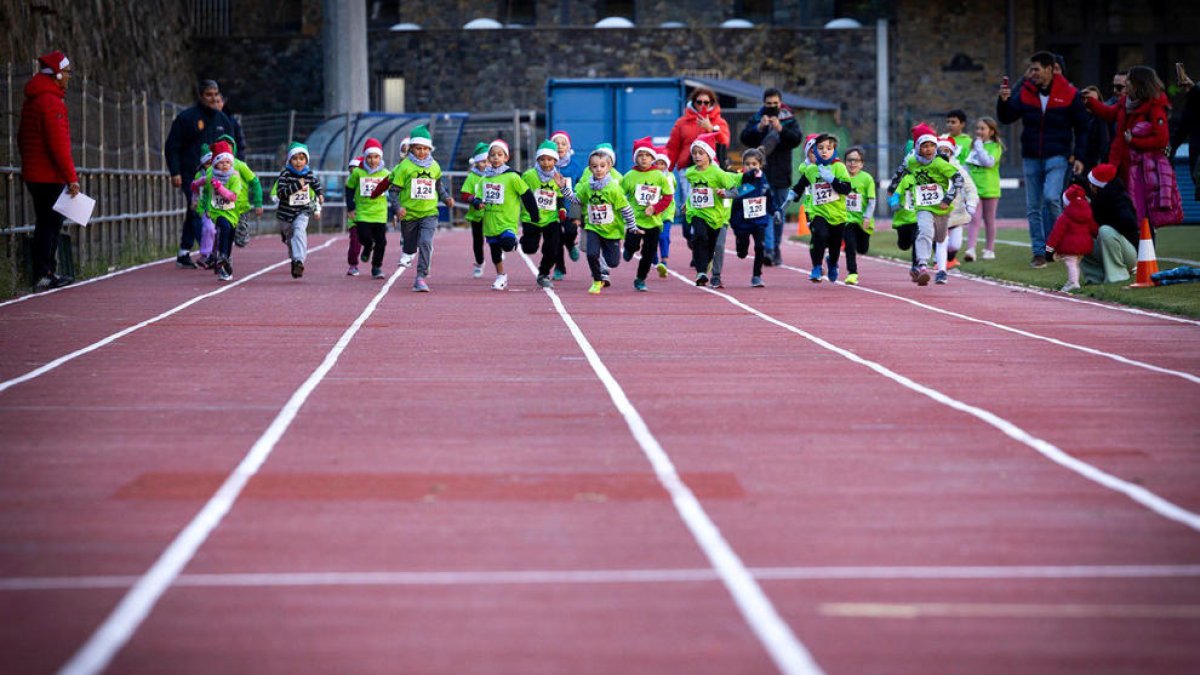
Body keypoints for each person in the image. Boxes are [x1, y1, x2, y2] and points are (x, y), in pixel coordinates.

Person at [997, 51, 1090, 268]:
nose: (1033, 73)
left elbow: (1083, 127)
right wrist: (1003, 100)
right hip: (1031, 157)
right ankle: (1039, 252)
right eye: (1031, 69)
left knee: (1051, 197)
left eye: (1036, 69)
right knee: (1033, 207)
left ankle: (1060, 244)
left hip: (1057, 156)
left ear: (1050, 69)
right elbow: (1007, 117)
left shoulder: (1069, 93)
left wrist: (1080, 155)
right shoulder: (1026, 92)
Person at [1083, 65, 1183, 228]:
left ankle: (1145, 249)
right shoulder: (1125, 103)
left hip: (1141, 169)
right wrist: (1091, 103)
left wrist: (1134, 142)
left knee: (1142, 212)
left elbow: (1161, 139)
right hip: (1119, 164)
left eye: (1128, 81)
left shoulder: (1155, 106)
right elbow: (1109, 113)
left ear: (1138, 84)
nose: (1126, 84)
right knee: (1126, 209)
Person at [19, 50, 79, 291]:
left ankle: (45, 271)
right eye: (66, 72)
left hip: (34, 172)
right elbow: (59, 145)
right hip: (49, 175)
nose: (68, 77)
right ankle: (45, 272)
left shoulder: (34, 99)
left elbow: (22, 138)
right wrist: (71, 178)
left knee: (44, 222)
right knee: (50, 224)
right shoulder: (51, 102)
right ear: (56, 74)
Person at [164, 80, 240, 269]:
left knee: (209, 211)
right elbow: (172, 146)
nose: (213, 98)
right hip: (192, 174)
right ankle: (208, 254)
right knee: (198, 208)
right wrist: (175, 172)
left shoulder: (223, 120)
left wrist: (234, 171)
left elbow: (232, 148)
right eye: (209, 95)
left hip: (219, 176)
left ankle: (185, 250)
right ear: (200, 96)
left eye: (216, 94)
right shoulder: (187, 118)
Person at [370, 125, 454, 292]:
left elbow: (438, 186)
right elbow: (393, 191)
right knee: (409, 247)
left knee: (425, 242)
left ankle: (420, 277)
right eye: (418, 148)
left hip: (429, 213)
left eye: (425, 148)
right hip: (409, 214)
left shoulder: (435, 166)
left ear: (430, 149)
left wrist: (446, 198)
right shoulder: (404, 167)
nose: (422, 152)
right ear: (411, 149)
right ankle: (407, 251)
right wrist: (398, 208)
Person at [555, 145, 639, 294]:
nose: (598, 169)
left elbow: (625, 208)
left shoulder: (613, 189)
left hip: (612, 229)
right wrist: (563, 188)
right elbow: (576, 200)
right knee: (591, 253)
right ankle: (597, 279)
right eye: (595, 166)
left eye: (602, 166)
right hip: (593, 227)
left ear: (609, 167)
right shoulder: (587, 186)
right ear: (590, 168)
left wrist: (632, 226)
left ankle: (605, 268)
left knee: (613, 262)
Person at [891, 127, 964, 285]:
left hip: (942, 207)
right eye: (924, 146)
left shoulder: (940, 163)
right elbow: (900, 172)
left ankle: (930, 260)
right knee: (924, 232)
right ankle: (922, 265)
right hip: (923, 206)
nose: (929, 149)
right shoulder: (912, 161)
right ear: (918, 148)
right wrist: (892, 189)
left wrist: (948, 198)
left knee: (940, 237)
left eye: (932, 145)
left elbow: (958, 180)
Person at [738, 88, 803, 265]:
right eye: (769, 104)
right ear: (764, 103)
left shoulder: (789, 119)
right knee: (764, 212)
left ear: (780, 103)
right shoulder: (757, 118)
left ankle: (776, 247)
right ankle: (768, 249)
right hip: (761, 175)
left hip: (782, 173)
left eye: (776, 104)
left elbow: (796, 140)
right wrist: (759, 128)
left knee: (778, 213)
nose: (772, 107)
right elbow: (744, 137)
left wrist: (780, 129)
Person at [666, 88, 731, 250]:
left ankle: (703, 243)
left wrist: (711, 128)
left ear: (712, 103)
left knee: (706, 207)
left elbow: (725, 141)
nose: (703, 105)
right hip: (687, 169)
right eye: (699, 102)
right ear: (693, 103)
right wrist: (667, 169)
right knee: (690, 204)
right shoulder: (682, 122)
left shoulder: (718, 121)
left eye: (706, 102)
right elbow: (673, 147)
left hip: (711, 170)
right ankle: (693, 237)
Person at [472, 139, 539, 291]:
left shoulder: (512, 177)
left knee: (508, 244)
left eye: (499, 155)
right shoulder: (484, 179)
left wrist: (534, 213)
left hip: (507, 221)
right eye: (493, 155)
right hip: (490, 222)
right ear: (488, 158)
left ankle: (512, 240)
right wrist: (477, 203)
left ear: (506, 158)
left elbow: (527, 195)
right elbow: (477, 197)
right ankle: (501, 276)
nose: (496, 158)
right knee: (495, 252)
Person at [789, 134, 852, 283]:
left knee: (835, 244)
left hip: (838, 215)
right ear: (815, 151)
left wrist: (832, 179)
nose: (824, 151)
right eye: (820, 148)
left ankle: (832, 262)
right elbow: (800, 185)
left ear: (834, 150)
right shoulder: (812, 169)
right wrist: (791, 195)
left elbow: (846, 189)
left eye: (828, 148)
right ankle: (816, 266)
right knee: (820, 236)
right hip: (819, 212)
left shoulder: (839, 167)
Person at [682, 132, 740, 287]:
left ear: (709, 155)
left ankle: (714, 273)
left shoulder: (718, 173)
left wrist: (724, 193)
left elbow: (735, 192)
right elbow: (694, 190)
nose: (697, 156)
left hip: (716, 216)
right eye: (694, 153)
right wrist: (687, 203)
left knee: (715, 245)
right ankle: (701, 272)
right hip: (697, 211)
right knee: (699, 236)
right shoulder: (690, 172)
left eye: (701, 153)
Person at [620, 137, 674, 292]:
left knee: (648, 254)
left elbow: (668, 197)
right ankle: (629, 250)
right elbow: (620, 195)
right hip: (635, 220)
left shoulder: (659, 176)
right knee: (632, 244)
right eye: (640, 155)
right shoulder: (629, 176)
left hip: (653, 222)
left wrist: (655, 208)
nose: (644, 158)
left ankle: (640, 279)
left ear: (653, 158)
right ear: (635, 158)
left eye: (647, 155)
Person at [520, 140, 569, 289]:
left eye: (549, 159)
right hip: (531, 218)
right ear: (537, 160)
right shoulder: (529, 175)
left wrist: (562, 210)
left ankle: (543, 274)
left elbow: (560, 197)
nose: (546, 163)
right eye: (542, 159)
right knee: (529, 249)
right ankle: (523, 241)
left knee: (553, 248)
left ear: (555, 160)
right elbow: (520, 192)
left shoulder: (558, 177)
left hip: (551, 218)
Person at [272, 142, 324, 279]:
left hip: (302, 211)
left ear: (306, 160)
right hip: (285, 215)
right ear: (289, 160)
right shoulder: (285, 174)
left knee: (299, 233)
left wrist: (320, 194)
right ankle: (294, 258)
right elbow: (281, 193)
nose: (298, 162)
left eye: (301, 159)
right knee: (290, 239)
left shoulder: (308, 173)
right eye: (295, 159)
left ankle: (299, 261)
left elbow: (316, 184)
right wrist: (297, 185)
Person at [1080, 163, 1138, 284]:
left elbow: (1129, 224)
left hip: (1129, 254)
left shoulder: (1119, 200)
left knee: (1105, 231)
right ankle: (1095, 278)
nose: (1089, 186)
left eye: (1091, 183)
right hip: (1114, 247)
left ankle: (1117, 276)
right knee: (1079, 238)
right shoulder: (1100, 199)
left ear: (1097, 185)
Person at [198, 141, 248, 281]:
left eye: (228, 162)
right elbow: (204, 189)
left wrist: (219, 187)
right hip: (217, 212)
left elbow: (232, 196)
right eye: (221, 162)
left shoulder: (234, 177)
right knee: (223, 228)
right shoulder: (210, 175)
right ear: (215, 164)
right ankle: (222, 257)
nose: (225, 165)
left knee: (229, 235)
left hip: (232, 212)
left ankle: (226, 266)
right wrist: (196, 189)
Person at [725, 148, 773, 288]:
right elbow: (736, 194)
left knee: (760, 247)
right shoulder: (742, 180)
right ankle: (741, 245)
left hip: (759, 221)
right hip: (742, 223)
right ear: (743, 165)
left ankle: (757, 276)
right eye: (747, 164)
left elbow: (769, 198)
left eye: (754, 164)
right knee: (742, 252)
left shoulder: (764, 181)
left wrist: (775, 211)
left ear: (760, 165)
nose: (751, 167)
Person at [934, 137, 979, 281]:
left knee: (954, 245)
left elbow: (970, 188)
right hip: (938, 211)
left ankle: (949, 257)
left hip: (956, 213)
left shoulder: (958, 169)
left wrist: (971, 203)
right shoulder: (931, 168)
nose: (944, 154)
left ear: (952, 153)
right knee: (942, 241)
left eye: (947, 151)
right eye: (940, 150)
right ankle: (941, 271)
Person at [345, 138, 391, 279]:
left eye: (376, 157)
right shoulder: (358, 173)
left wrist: (395, 212)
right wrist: (351, 207)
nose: (373, 161)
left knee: (382, 242)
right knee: (364, 237)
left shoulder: (386, 174)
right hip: (363, 212)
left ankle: (376, 267)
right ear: (365, 157)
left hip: (379, 213)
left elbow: (394, 192)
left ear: (380, 157)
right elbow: (349, 188)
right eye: (369, 157)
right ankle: (368, 246)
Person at [963, 116, 1004, 261]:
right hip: (974, 189)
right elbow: (968, 165)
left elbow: (988, 163)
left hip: (990, 189)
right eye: (977, 128)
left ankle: (989, 249)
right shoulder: (974, 146)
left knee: (989, 220)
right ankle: (971, 249)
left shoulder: (996, 146)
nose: (979, 131)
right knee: (974, 218)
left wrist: (980, 147)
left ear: (991, 132)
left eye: (982, 129)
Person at [1045, 184, 1098, 292]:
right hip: (1085, 245)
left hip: (1071, 247)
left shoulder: (1065, 216)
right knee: (1076, 263)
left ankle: (1074, 282)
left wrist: (1049, 249)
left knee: (1071, 263)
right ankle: (1071, 281)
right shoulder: (1088, 214)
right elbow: (1094, 229)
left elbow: (1056, 233)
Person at [549, 131, 584, 281]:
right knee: (555, 238)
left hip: (570, 209)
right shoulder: (547, 166)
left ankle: (570, 245)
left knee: (570, 232)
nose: (559, 146)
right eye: (556, 143)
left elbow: (580, 190)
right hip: (552, 209)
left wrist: (577, 214)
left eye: (563, 144)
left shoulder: (575, 167)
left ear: (568, 147)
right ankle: (559, 268)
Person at [841, 146, 876, 286]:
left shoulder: (866, 178)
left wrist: (867, 217)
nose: (852, 163)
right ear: (845, 162)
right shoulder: (841, 177)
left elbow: (872, 200)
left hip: (862, 220)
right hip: (846, 218)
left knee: (862, 248)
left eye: (856, 160)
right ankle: (852, 273)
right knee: (850, 244)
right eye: (849, 160)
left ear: (862, 163)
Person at [461, 142, 490, 278]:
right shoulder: (472, 177)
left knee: (495, 236)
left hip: (493, 214)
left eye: (488, 161)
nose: (486, 164)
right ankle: (479, 262)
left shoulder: (497, 176)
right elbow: (464, 194)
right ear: (477, 162)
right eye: (483, 161)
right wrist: (474, 200)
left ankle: (500, 249)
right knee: (478, 241)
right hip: (476, 214)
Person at [343, 155, 364, 276]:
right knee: (355, 242)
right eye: (351, 168)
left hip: (370, 217)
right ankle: (353, 264)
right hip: (354, 219)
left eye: (355, 168)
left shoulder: (368, 180)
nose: (353, 171)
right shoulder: (349, 182)